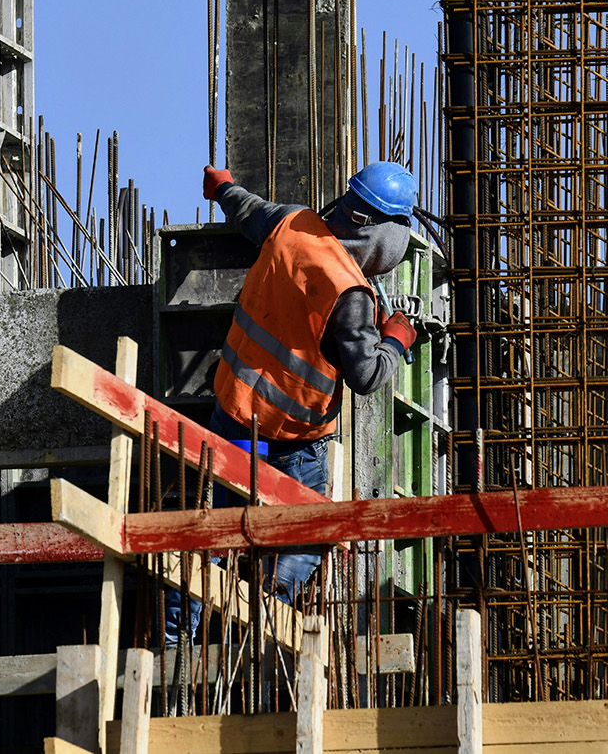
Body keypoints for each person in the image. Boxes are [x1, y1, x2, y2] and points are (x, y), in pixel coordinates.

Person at [163, 162, 421, 645]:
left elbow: (249, 211)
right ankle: (263, 641)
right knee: (293, 548)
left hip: (233, 420)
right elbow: (367, 375)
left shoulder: (292, 224)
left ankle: (177, 643)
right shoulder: (351, 294)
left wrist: (224, 187)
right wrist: (397, 340)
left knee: (217, 535)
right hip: (294, 446)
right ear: (378, 230)